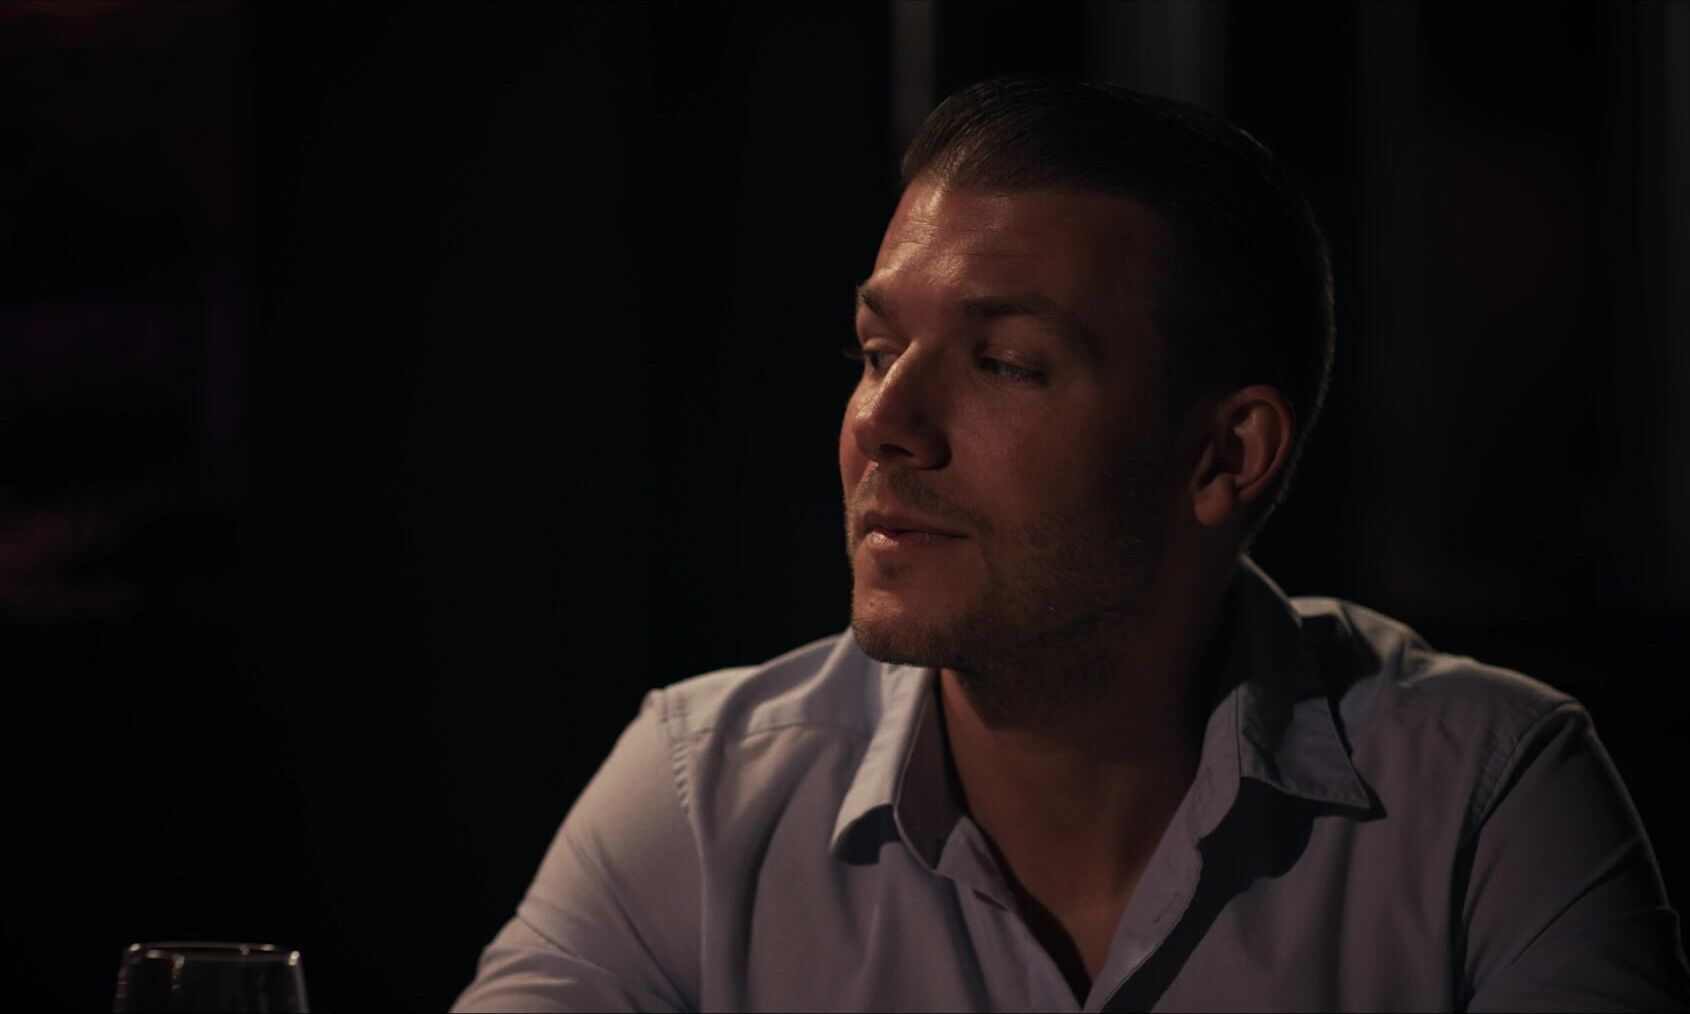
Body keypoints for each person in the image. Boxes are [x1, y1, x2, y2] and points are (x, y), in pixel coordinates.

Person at [452, 77, 1690, 1012]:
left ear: (1224, 456)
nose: (884, 422)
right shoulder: (701, 799)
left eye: (1005, 362)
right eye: (878, 353)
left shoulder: (1482, 799)